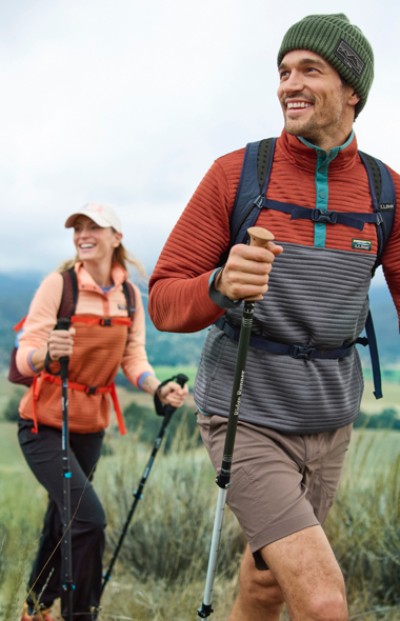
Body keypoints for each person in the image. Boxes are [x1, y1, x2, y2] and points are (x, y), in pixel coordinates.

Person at [148, 13, 400, 621]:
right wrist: (219, 284)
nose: (290, 83)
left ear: (352, 90)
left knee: (265, 583)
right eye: (283, 71)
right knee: (322, 600)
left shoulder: (385, 193)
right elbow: (162, 299)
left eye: (310, 69)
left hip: (330, 421)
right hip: (246, 416)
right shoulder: (238, 175)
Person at [16, 203, 188, 621]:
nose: (83, 234)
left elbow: (134, 358)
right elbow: (23, 358)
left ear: (117, 237)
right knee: (88, 520)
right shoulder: (59, 286)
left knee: (63, 518)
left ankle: (37, 607)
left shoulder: (130, 295)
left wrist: (157, 387)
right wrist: (44, 354)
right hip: (42, 423)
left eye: (94, 226)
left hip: (90, 425)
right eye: (78, 227)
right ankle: (82, 614)